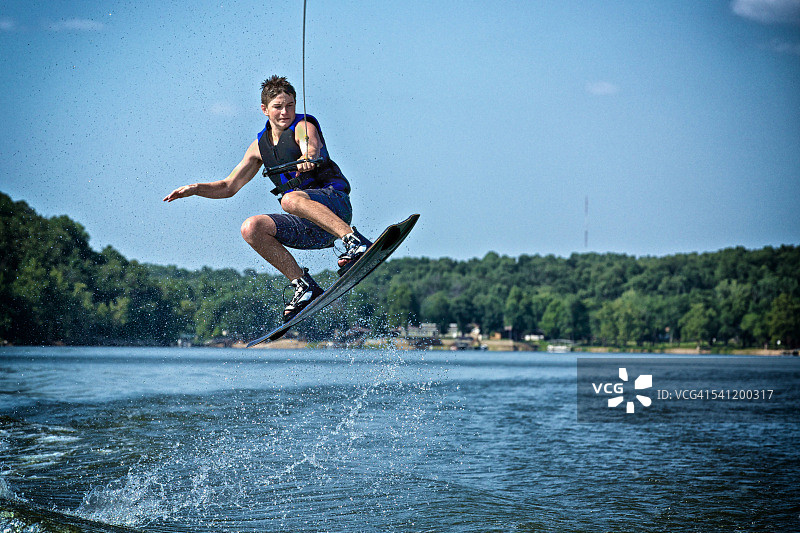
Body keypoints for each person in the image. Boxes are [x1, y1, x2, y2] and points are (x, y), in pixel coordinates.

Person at [164, 75, 372, 322]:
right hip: (312, 228)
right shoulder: (259, 147)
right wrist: (196, 188)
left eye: (291, 105)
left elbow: (310, 146)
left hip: (334, 206)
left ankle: (354, 241)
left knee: (289, 200)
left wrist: (308, 157)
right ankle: (304, 286)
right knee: (251, 228)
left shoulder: (303, 126)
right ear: (264, 109)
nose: (286, 112)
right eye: (278, 107)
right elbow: (229, 186)